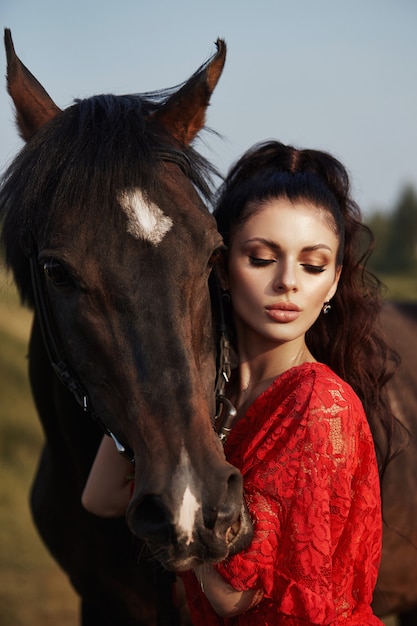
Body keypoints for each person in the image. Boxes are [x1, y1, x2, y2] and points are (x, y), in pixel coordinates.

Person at [82, 140, 402, 625]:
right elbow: (100, 497)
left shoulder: (318, 403)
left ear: (333, 281)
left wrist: (183, 499)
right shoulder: (215, 389)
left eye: (313, 265)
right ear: (223, 269)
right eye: (261, 258)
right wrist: (156, 390)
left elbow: (234, 595)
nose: (289, 282)